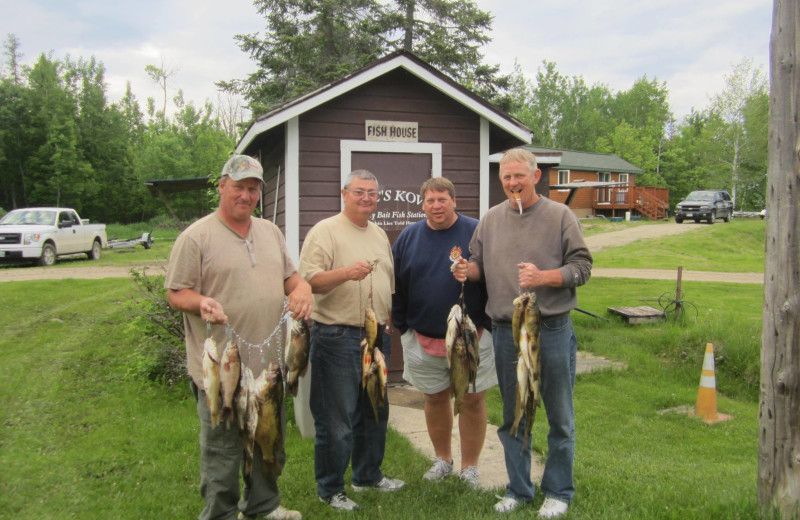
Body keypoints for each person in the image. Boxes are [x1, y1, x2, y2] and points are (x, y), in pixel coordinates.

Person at [165, 154, 312, 520]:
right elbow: (176, 293)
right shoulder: (196, 237)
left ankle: (263, 507)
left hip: (269, 367)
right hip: (223, 369)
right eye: (238, 188)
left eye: (252, 189)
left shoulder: (270, 231)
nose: (246, 196)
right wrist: (201, 303)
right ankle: (221, 514)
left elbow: (290, 278)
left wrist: (302, 290)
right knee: (223, 451)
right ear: (221, 187)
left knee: (269, 438)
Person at [453, 148, 592, 518]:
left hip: (552, 329)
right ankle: (519, 488)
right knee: (515, 414)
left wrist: (545, 277)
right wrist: (468, 271)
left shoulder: (560, 216)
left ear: (536, 176)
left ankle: (558, 491)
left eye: (519, 176)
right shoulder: (491, 219)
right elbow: (480, 264)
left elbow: (582, 267)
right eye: (506, 178)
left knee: (560, 415)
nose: (513, 184)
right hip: (505, 332)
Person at [298, 169, 404, 511]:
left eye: (372, 193)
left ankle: (368, 475)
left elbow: (388, 282)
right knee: (336, 419)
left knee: (374, 411)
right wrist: (346, 273)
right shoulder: (325, 231)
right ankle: (330, 489)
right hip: (337, 336)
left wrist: (386, 321)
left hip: (375, 337)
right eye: (359, 192)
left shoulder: (378, 233)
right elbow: (308, 282)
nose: (367, 198)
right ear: (344, 194)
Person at [391, 177, 497, 488]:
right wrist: (404, 329)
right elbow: (397, 285)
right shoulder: (409, 237)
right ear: (422, 204)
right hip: (423, 338)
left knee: (473, 400)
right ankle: (443, 459)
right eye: (430, 200)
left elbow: (495, 275)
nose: (436, 206)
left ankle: (470, 466)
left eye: (442, 199)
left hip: (472, 337)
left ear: (454, 201)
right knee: (434, 399)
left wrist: (488, 327)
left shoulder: (476, 231)